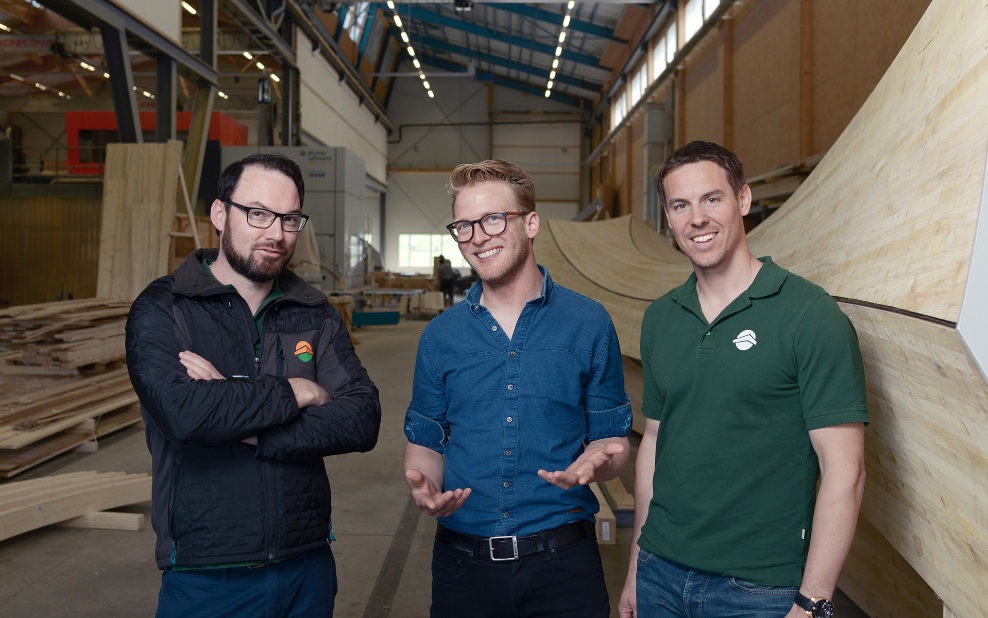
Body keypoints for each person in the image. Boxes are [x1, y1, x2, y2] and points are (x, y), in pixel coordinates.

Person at [618, 141, 868, 618]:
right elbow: (653, 441)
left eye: (712, 199)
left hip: (759, 589)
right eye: (680, 205)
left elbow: (846, 471)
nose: (697, 219)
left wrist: (812, 600)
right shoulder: (661, 318)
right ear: (668, 219)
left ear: (744, 201)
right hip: (659, 572)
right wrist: (634, 567)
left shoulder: (808, 315)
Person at [126, 153, 382, 617]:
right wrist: (301, 393)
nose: (276, 233)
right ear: (220, 214)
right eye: (258, 213)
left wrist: (241, 417)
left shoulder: (313, 311)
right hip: (207, 572)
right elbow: (183, 412)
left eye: (289, 218)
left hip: (306, 564)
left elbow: (362, 419)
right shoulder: (165, 307)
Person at [403, 159, 633, 618]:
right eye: (464, 226)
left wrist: (600, 462)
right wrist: (425, 487)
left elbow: (613, 442)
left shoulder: (588, 323)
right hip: (463, 568)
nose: (477, 236)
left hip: (564, 566)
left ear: (530, 223)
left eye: (492, 219)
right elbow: (424, 442)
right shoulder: (440, 337)